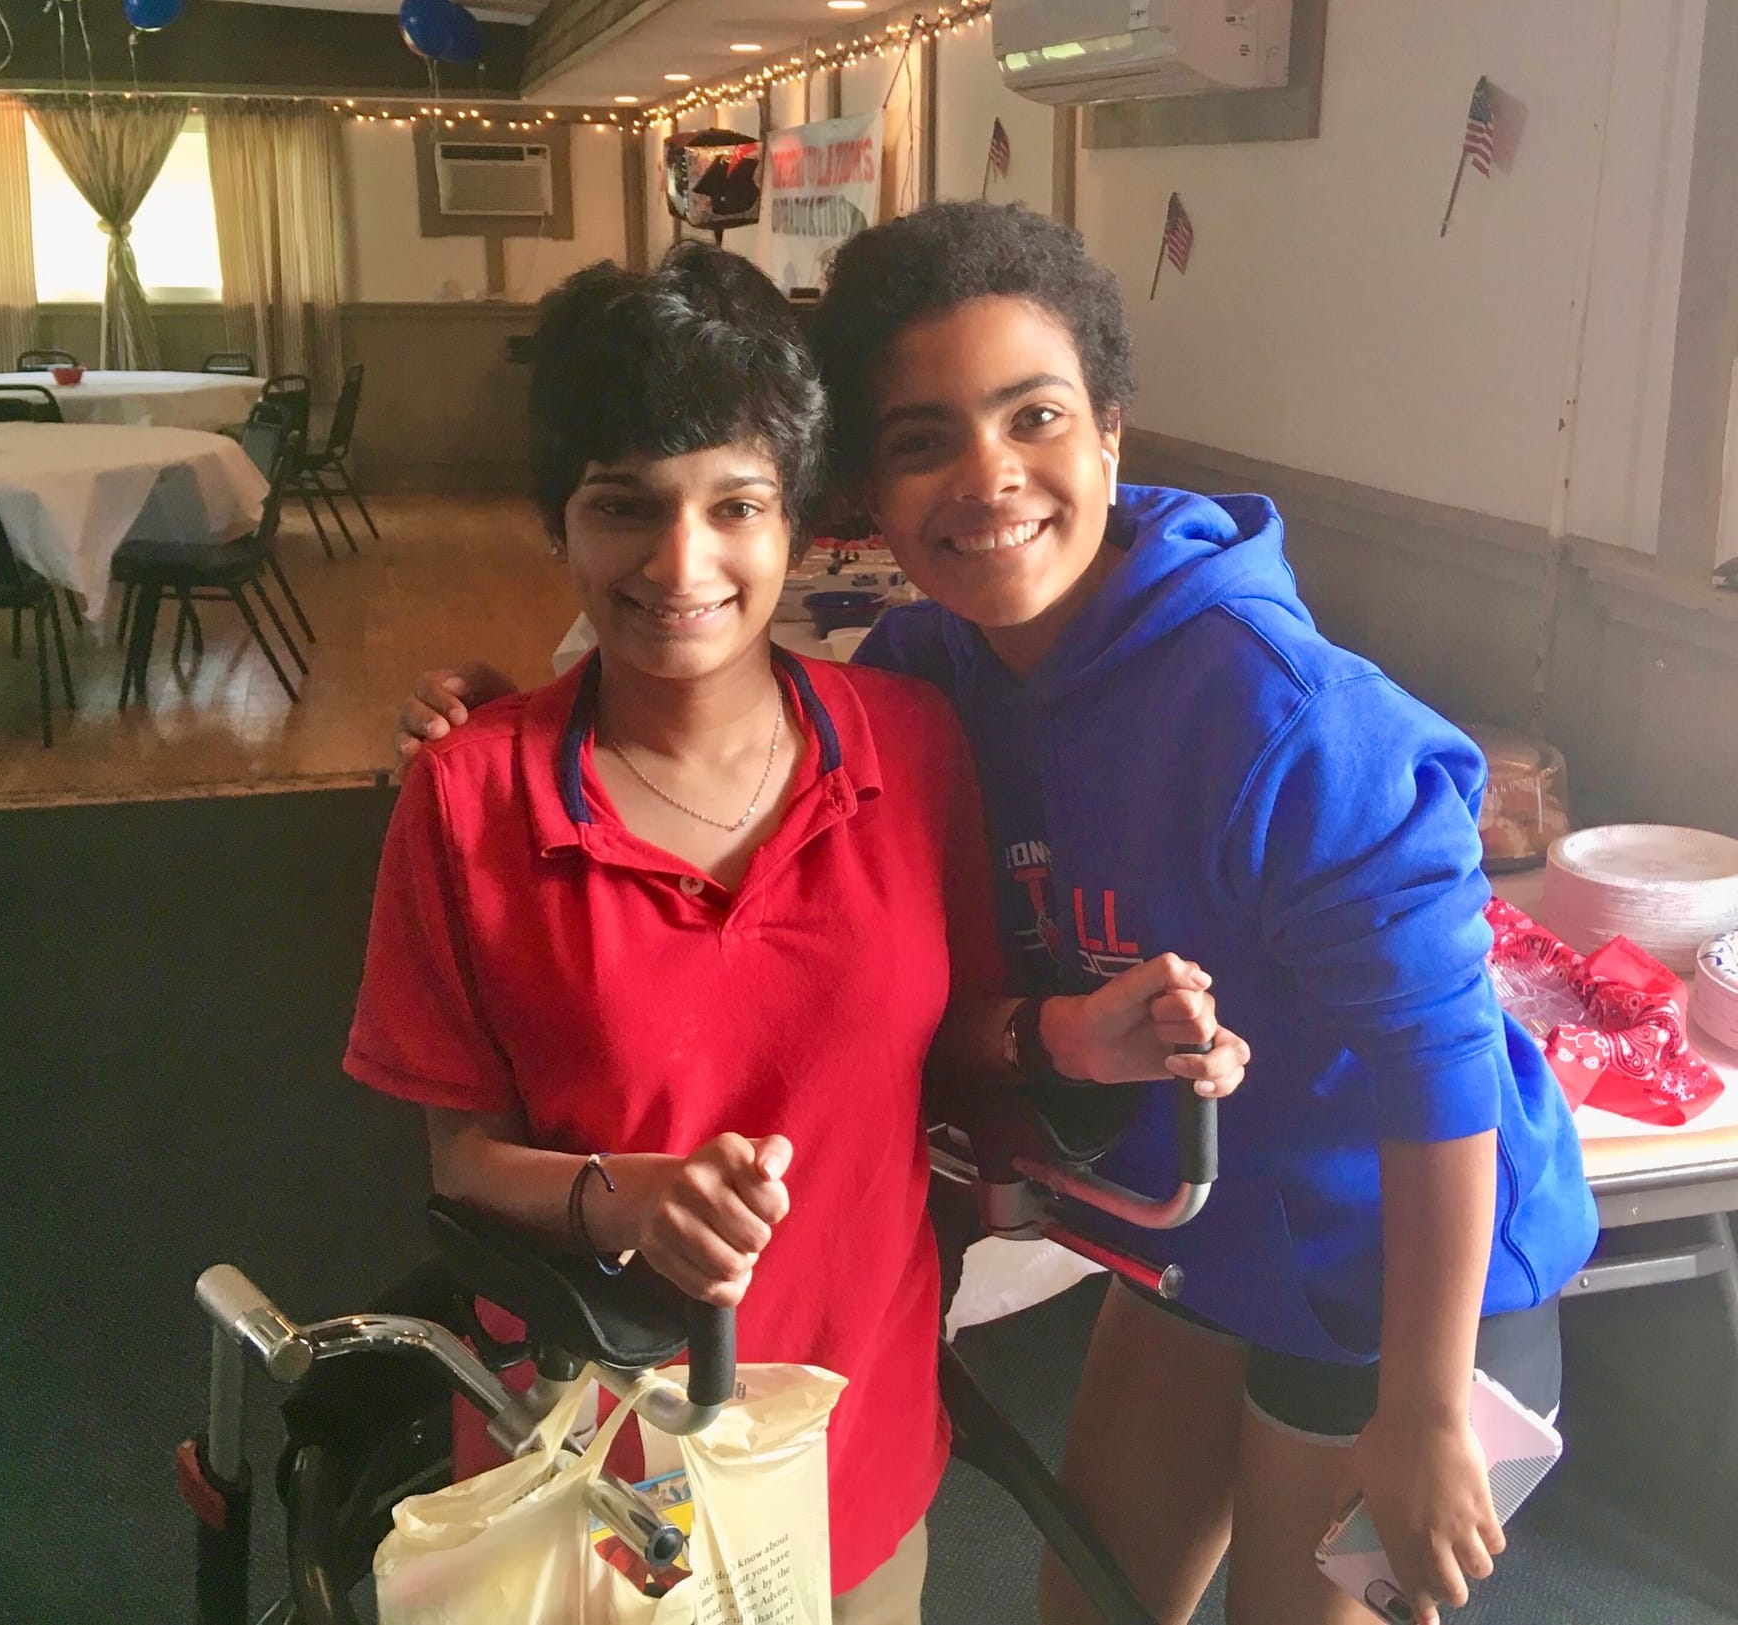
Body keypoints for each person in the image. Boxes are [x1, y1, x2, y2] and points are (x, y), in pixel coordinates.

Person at [396, 204, 1600, 1625]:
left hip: (1401, 1272)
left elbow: (1444, 1060)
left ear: (1109, 433)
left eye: (1033, 415)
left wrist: (1424, 1406)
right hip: (1198, 1236)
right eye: (920, 440)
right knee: (1084, 1608)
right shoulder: (928, 679)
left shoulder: (1284, 717)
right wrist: (513, 729)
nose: (987, 477)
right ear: (865, 489)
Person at [350, 241, 1246, 1624]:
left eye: (736, 503)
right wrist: (624, 1196)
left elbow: (948, 1042)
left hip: (856, 1448)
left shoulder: (910, 746)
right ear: (560, 525)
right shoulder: (472, 793)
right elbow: (462, 1161)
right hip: (601, 1456)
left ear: (797, 520)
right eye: (622, 506)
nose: (681, 561)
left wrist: (1077, 1035)